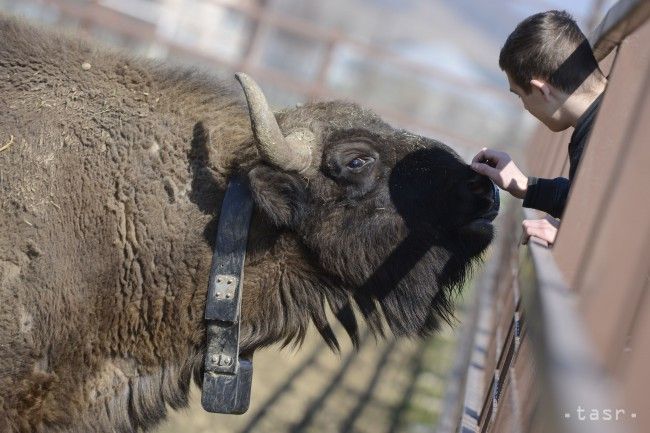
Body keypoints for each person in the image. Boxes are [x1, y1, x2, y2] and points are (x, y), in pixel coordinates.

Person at [470, 10, 607, 246]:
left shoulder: (603, 136)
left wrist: (571, 236)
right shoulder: (612, 113)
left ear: (542, 90)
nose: (525, 107)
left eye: (522, 96)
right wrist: (526, 186)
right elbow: (594, 202)